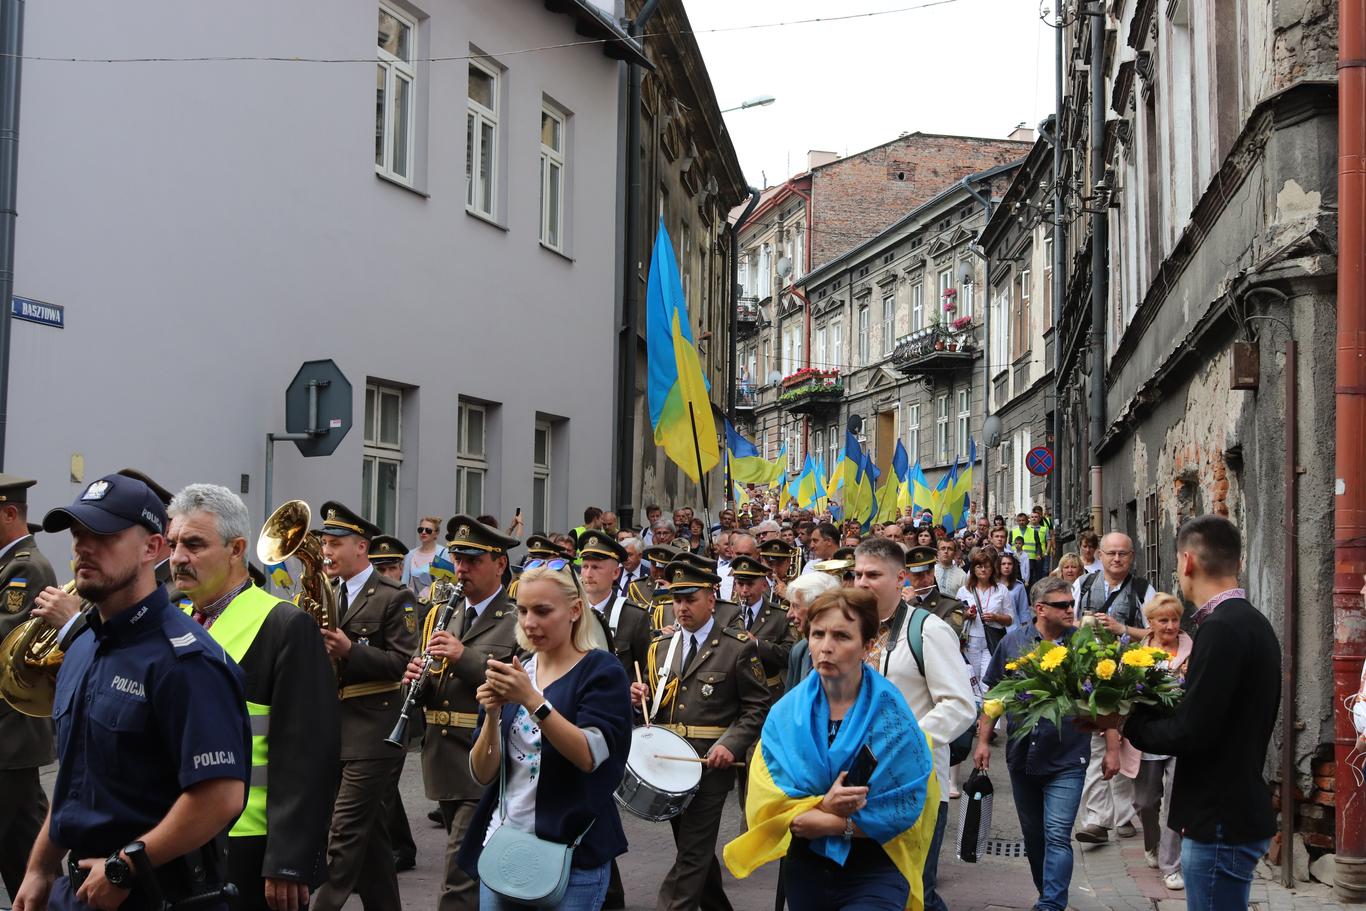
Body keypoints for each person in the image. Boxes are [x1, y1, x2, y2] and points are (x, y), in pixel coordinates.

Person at [15, 475, 249, 911]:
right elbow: (74, 781)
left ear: (151, 548)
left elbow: (220, 796)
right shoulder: (84, 647)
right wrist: (40, 867)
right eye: (78, 534)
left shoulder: (185, 659)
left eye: (103, 535)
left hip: (157, 893)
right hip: (79, 891)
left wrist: (126, 866)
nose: (83, 546)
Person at [165, 484, 340, 911]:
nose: (177, 558)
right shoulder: (176, 619)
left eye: (193, 544)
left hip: (250, 846)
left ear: (236, 548)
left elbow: (308, 753)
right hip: (178, 833)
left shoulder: (284, 625)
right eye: (173, 544)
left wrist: (289, 860)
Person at [1100, 516, 1279, 910]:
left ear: (1186, 562)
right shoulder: (1250, 622)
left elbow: (1191, 731)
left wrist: (1127, 722)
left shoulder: (1222, 628)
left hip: (1219, 816)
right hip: (1231, 809)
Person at [724, 588, 937, 911]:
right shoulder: (785, 716)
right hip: (807, 867)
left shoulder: (893, 717)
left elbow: (905, 806)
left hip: (876, 865)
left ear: (867, 647)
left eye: (841, 636)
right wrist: (826, 805)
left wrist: (832, 822)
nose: (826, 647)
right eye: (818, 634)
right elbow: (768, 804)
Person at [451, 561, 633, 910]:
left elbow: (590, 755)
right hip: (504, 846)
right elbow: (482, 773)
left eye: (542, 611)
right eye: (521, 611)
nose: (529, 622)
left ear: (575, 610)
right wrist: (490, 716)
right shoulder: (518, 668)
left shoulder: (600, 669)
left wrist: (533, 700)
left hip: (571, 852)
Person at [629, 560, 768, 911]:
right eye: (676, 600)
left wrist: (730, 744)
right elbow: (657, 708)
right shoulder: (661, 647)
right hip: (669, 766)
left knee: (692, 852)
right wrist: (640, 700)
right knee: (693, 849)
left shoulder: (736, 647)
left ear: (711, 598)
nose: (681, 608)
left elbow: (756, 707)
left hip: (710, 764)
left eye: (690, 599)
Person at [852, 537, 975, 911]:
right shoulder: (851, 628)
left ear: (900, 578)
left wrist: (904, 742)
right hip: (855, 782)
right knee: (870, 889)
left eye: (873, 575)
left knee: (913, 888)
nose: (862, 583)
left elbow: (959, 704)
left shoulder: (927, 630)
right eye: (856, 574)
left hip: (914, 785)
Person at [409, 517, 522, 911]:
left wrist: (463, 655)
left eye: (472, 561)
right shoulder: (443, 613)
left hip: (483, 759)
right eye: (457, 559)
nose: (461, 569)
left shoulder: (517, 617)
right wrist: (414, 682)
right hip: (442, 760)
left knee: (457, 874)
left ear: (499, 564)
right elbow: (433, 683)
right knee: (474, 866)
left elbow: (514, 683)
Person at [312, 502, 419, 911]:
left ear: (362, 547)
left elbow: (403, 662)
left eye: (335, 543)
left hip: (376, 727)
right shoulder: (326, 591)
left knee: (343, 831)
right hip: (336, 725)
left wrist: (350, 650)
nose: (327, 551)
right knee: (371, 835)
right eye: (325, 542)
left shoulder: (394, 595)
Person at [974, 577, 1091, 911]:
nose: (1071, 609)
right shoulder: (1013, 644)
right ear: (1040, 609)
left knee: (1057, 833)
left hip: (1068, 755)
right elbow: (994, 699)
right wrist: (983, 741)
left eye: (1072, 604)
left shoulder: (1082, 645)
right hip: (1023, 754)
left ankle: (1051, 904)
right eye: (1062, 605)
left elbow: (1102, 702)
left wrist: (1111, 747)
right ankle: (1047, 892)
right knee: (1035, 838)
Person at [1071, 532, 1153, 845]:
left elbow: (1157, 630)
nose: (1116, 559)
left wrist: (1123, 630)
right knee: (1095, 744)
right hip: (1090, 678)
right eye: (1111, 554)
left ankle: (1123, 814)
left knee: (1126, 743)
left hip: (1130, 676)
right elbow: (1070, 622)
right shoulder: (1083, 585)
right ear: (1100, 556)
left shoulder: (1143, 589)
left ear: (1132, 556)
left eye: (1123, 554)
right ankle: (1096, 819)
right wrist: (1085, 627)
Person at [0, 475, 58, 903]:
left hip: (10, 735)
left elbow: (8, 638)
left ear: (9, 513)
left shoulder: (26, 567)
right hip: (8, 738)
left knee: (23, 852)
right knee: (21, 845)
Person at [1130, 593, 1192, 891]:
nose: (1170, 626)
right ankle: (1152, 845)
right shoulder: (1136, 655)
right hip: (1149, 736)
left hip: (1181, 734)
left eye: (1175, 619)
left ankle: (1172, 865)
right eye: (1163, 620)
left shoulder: (1195, 650)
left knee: (1174, 800)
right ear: (1150, 623)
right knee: (1145, 801)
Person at [367, 534, 418, 871]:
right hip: (366, 709)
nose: (386, 571)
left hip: (398, 704)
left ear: (401, 567)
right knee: (382, 787)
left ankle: (395, 849)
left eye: (391, 566)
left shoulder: (407, 601)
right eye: (379, 566)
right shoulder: (367, 600)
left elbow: (409, 654)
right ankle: (398, 845)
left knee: (384, 785)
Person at [576, 529, 653, 684]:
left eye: (596, 567)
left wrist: (637, 692)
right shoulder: (569, 612)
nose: (588, 574)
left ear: (616, 573)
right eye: (585, 566)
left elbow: (646, 671)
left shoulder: (633, 617)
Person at [729, 554, 798, 700]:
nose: (744, 590)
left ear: (764, 585)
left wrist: (758, 644)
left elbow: (790, 655)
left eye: (750, 584)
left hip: (768, 692)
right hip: (732, 692)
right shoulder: (726, 613)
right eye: (740, 584)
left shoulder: (780, 615)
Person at [956, 547, 1014, 698]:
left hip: (992, 641)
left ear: (992, 569)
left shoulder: (1001, 589)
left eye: (986, 566)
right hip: (971, 641)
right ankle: (977, 714)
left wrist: (996, 617)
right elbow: (955, 617)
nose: (983, 570)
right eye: (979, 566)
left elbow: (1010, 619)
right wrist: (967, 614)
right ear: (973, 569)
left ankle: (988, 714)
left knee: (988, 681)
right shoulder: (964, 591)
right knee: (972, 681)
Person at [782, 573, 841, 690]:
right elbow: (790, 703)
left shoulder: (847, 652)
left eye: (796, 606)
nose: (789, 614)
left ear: (817, 607)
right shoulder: (799, 651)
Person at [403, 517, 447, 599]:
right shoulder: (410, 554)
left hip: (437, 605)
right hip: (416, 605)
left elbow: (448, 583)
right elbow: (404, 583)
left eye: (428, 530)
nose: (423, 532)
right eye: (420, 529)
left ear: (436, 534)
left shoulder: (443, 553)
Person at [998, 552, 1032, 628]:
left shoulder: (1018, 586)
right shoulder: (993, 585)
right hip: (996, 628)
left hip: (1013, 628)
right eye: (1003, 564)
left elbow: (1023, 610)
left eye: (1009, 564)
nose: (1006, 566)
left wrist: (1026, 629)